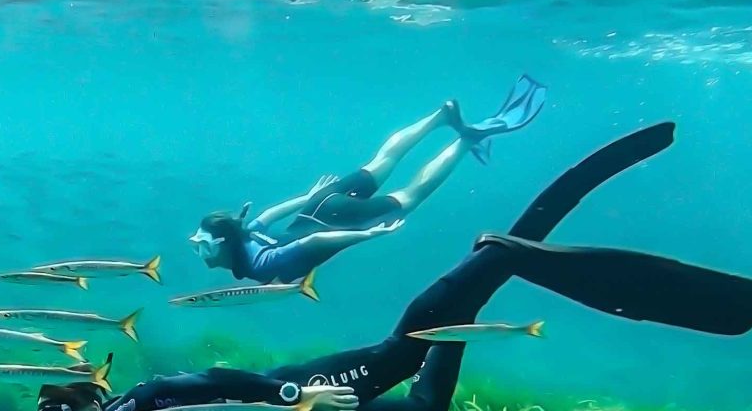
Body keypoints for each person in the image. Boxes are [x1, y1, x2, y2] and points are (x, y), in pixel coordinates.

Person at [37, 123, 752, 411]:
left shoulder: (135, 409)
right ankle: (486, 276)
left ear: (90, 403)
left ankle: (496, 257)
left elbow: (215, 385)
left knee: (401, 350)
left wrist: (297, 400)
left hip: (303, 406)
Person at [191, 75, 548, 285]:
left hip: (337, 220)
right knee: (381, 161)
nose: (199, 251)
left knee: (411, 196)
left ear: (221, 244)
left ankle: (467, 140)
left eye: (203, 245)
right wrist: (310, 196)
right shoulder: (244, 233)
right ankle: (440, 116)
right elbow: (269, 215)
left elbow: (315, 240)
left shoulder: (259, 265)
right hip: (320, 204)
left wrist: (367, 235)